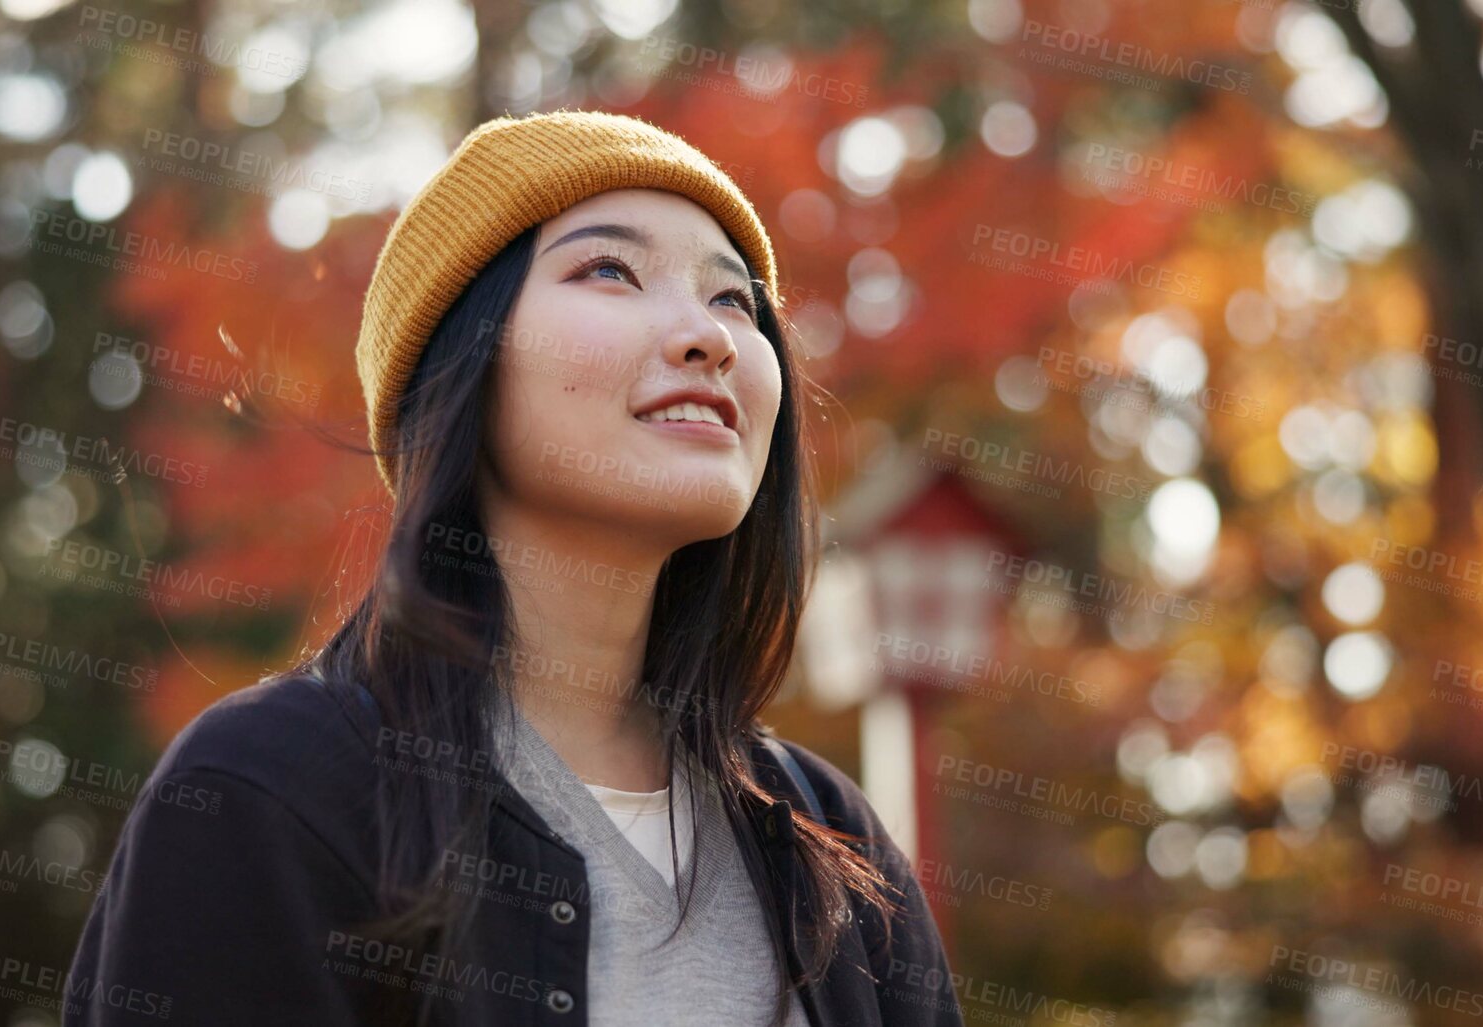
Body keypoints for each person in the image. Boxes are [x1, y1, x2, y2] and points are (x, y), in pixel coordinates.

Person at [64, 110, 963, 1027]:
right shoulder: (273, 790)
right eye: (608, 269)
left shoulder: (833, 843)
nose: (711, 337)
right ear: (460, 365)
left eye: (733, 299)